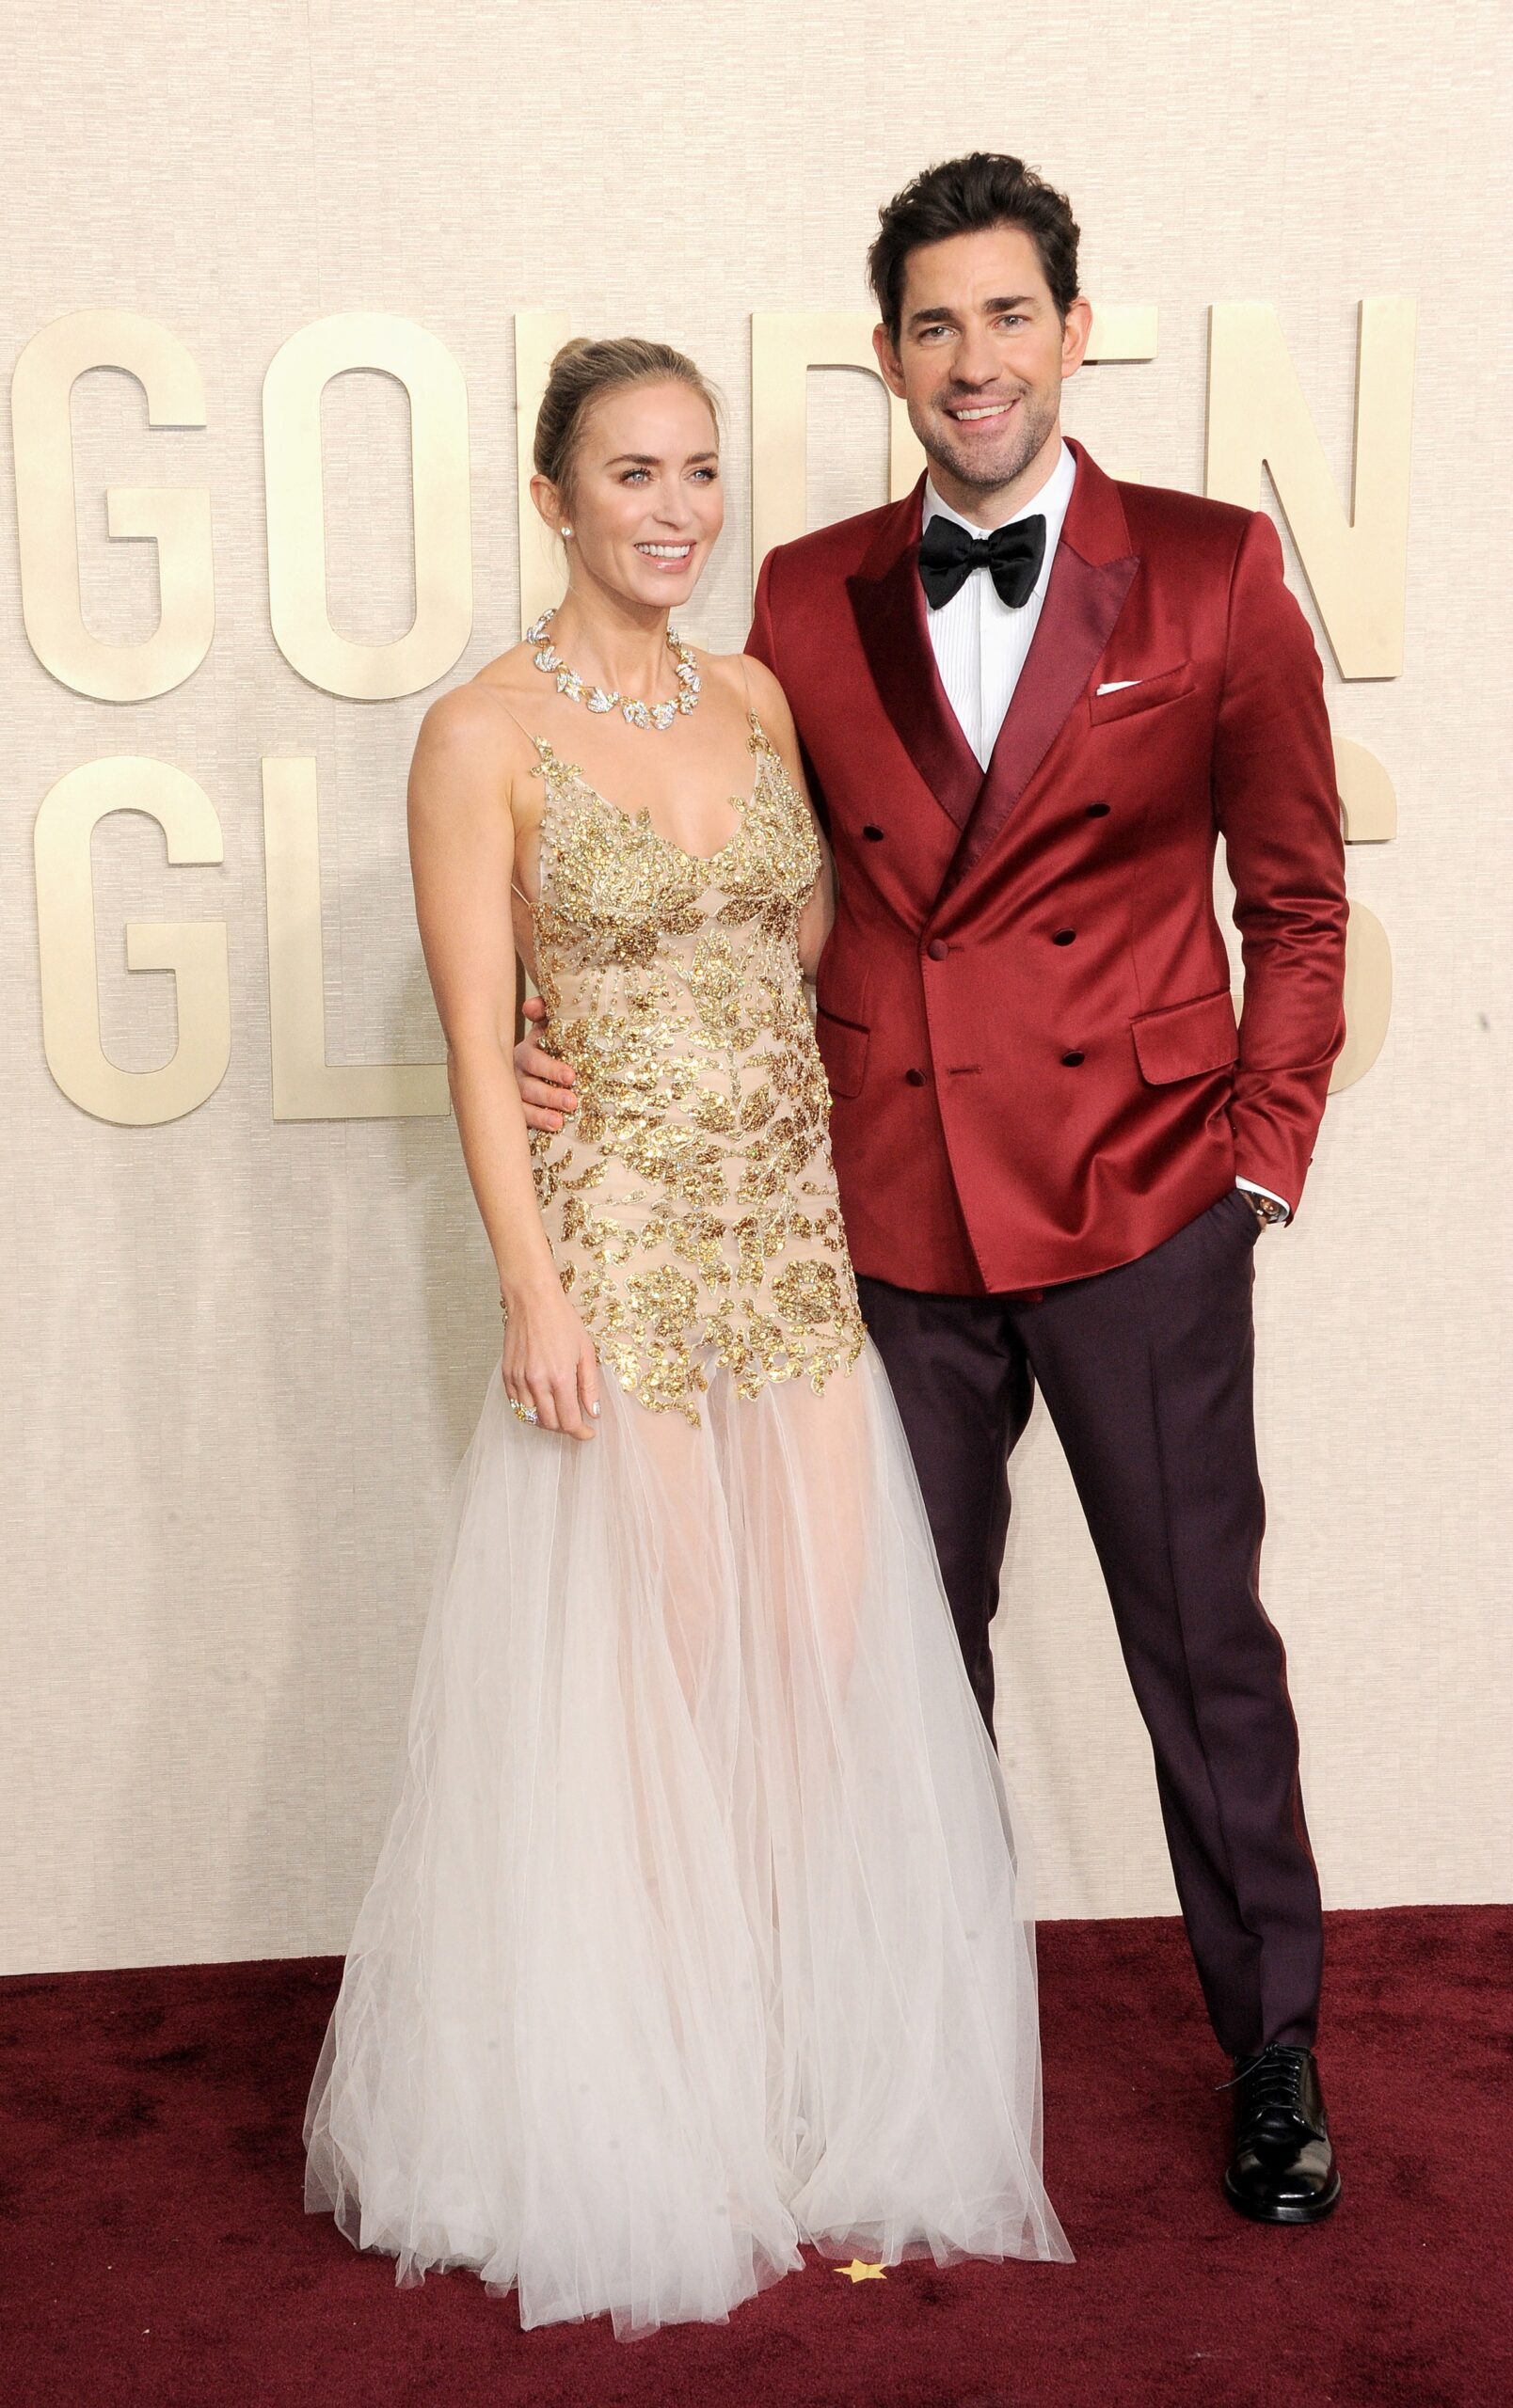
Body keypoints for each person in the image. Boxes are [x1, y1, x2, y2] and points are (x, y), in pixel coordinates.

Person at [515, 157, 1350, 2226]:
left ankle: (1276, 2048)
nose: (972, 361)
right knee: (894, 1668)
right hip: (886, 1217)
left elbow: (1302, 898)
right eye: (932, 327)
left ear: (1075, 330)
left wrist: (1257, 1163)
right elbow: (726, 865)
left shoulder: (1219, 570)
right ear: (884, 353)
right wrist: (572, 1025)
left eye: (1007, 318)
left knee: (1201, 1646)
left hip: (1148, 1203)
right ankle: (924, 2058)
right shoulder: (799, 595)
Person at [302, 334, 1070, 2339]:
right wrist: (530, 1281)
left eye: (699, 471)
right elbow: (483, 1035)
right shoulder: (477, 735)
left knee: (822, 1649)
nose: (674, 507)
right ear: (550, 498)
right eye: (631, 473)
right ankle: (665, 2102)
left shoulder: (753, 696)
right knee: (666, 1668)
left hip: (788, 1239)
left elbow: (801, 940)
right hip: (625, 1250)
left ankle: (794, 2071)